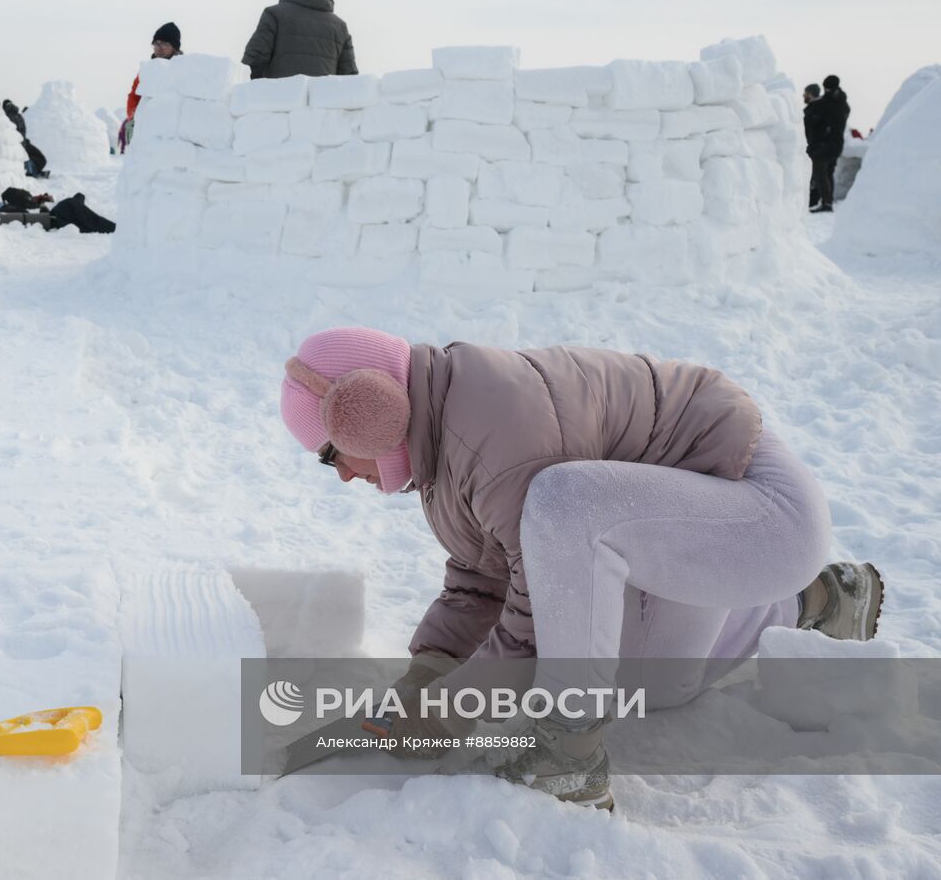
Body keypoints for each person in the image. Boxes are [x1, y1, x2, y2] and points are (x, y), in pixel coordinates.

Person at [280, 327, 883, 810]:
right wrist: (428, 671)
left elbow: (537, 619)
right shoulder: (443, 446)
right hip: (688, 530)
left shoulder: (491, 429)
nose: (340, 473)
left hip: (762, 517)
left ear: (373, 411)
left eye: (332, 451)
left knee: (565, 504)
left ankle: (568, 756)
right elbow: (482, 575)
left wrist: (442, 713)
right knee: (652, 684)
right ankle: (823, 600)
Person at [242, 0, 357, 80]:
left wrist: (257, 83)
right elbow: (349, 75)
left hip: (278, 98)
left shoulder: (274, 14)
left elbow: (255, 56)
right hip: (323, 100)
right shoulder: (340, 25)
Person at [120, 23, 182, 154]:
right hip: (147, 126)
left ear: (174, 47)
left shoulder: (182, 67)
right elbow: (134, 95)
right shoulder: (148, 70)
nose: (159, 48)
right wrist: (132, 117)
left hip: (173, 128)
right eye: (156, 43)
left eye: (164, 43)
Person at [808, 75, 851, 213]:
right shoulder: (843, 104)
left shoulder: (827, 103)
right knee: (828, 173)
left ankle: (826, 203)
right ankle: (828, 202)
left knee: (820, 173)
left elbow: (814, 119)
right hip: (837, 143)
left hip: (825, 144)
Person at [0, 186, 114, 234]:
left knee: (93, 221)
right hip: (64, 209)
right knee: (93, 221)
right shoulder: (36, 217)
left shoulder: (37, 217)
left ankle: (115, 228)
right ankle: (116, 228)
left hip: (64, 210)